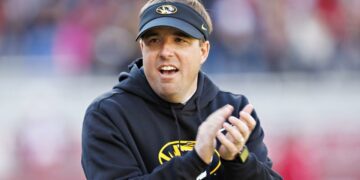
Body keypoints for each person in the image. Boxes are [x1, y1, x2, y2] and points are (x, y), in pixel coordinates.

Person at [81, 0, 282, 179]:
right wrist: (195, 160)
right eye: (154, 40)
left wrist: (239, 159)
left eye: (180, 40)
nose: (166, 52)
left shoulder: (234, 111)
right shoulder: (108, 114)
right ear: (142, 49)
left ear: (203, 51)